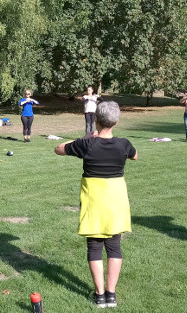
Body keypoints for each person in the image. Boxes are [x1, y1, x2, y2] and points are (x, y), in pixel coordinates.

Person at [54, 101, 138, 308]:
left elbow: (58, 149)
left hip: (94, 201)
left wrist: (84, 137)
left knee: (94, 247)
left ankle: (99, 295)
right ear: (116, 121)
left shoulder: (87, 144)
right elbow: (135, 156)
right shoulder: (124, 144)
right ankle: (111, 294)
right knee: (114, 245)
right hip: (115, 201)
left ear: (96, 121)